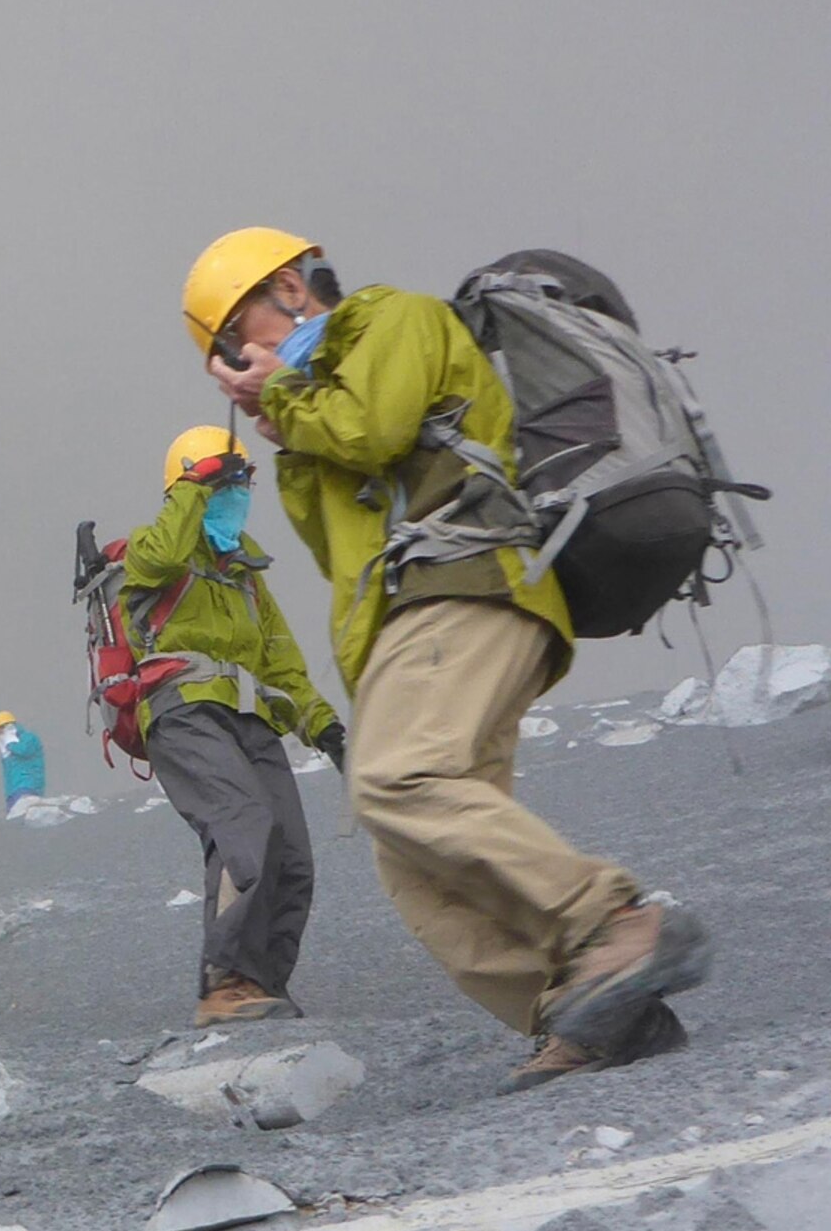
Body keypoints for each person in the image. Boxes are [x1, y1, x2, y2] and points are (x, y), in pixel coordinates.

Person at [190, 226, 712, 1086]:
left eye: (229, 328)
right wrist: (288, 412)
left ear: (289, 285)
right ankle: (597, 1011)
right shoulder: (311, 400)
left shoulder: (392, 320)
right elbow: (345, 545)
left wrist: (286, 395)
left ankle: (615, 922)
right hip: (417, 620)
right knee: (417, 865)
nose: (229, 356)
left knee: (403, 779)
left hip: (467, 587)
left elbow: (374, 427)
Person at [128, 428, 347, 1024]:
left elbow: (281, 665)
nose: (237, 493)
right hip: (183, 711)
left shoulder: (246, 573)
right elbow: (165, 554)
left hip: (251, 719)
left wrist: (326, 729)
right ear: (188, 487)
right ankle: (224, 982)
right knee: (243, 825)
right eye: (225, 483)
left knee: (293, 857)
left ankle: (261, 983)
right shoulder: (153, 551)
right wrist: (195, 486)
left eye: (242, 482)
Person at [0, 713, 47, 812]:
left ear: (9, 726)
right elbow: (9, 772)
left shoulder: (29, 738)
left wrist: (10, 744)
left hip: (29, 787)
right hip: (13, 791)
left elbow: (24, 751)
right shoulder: (7, 748)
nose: (0, 735)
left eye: (0, 731)